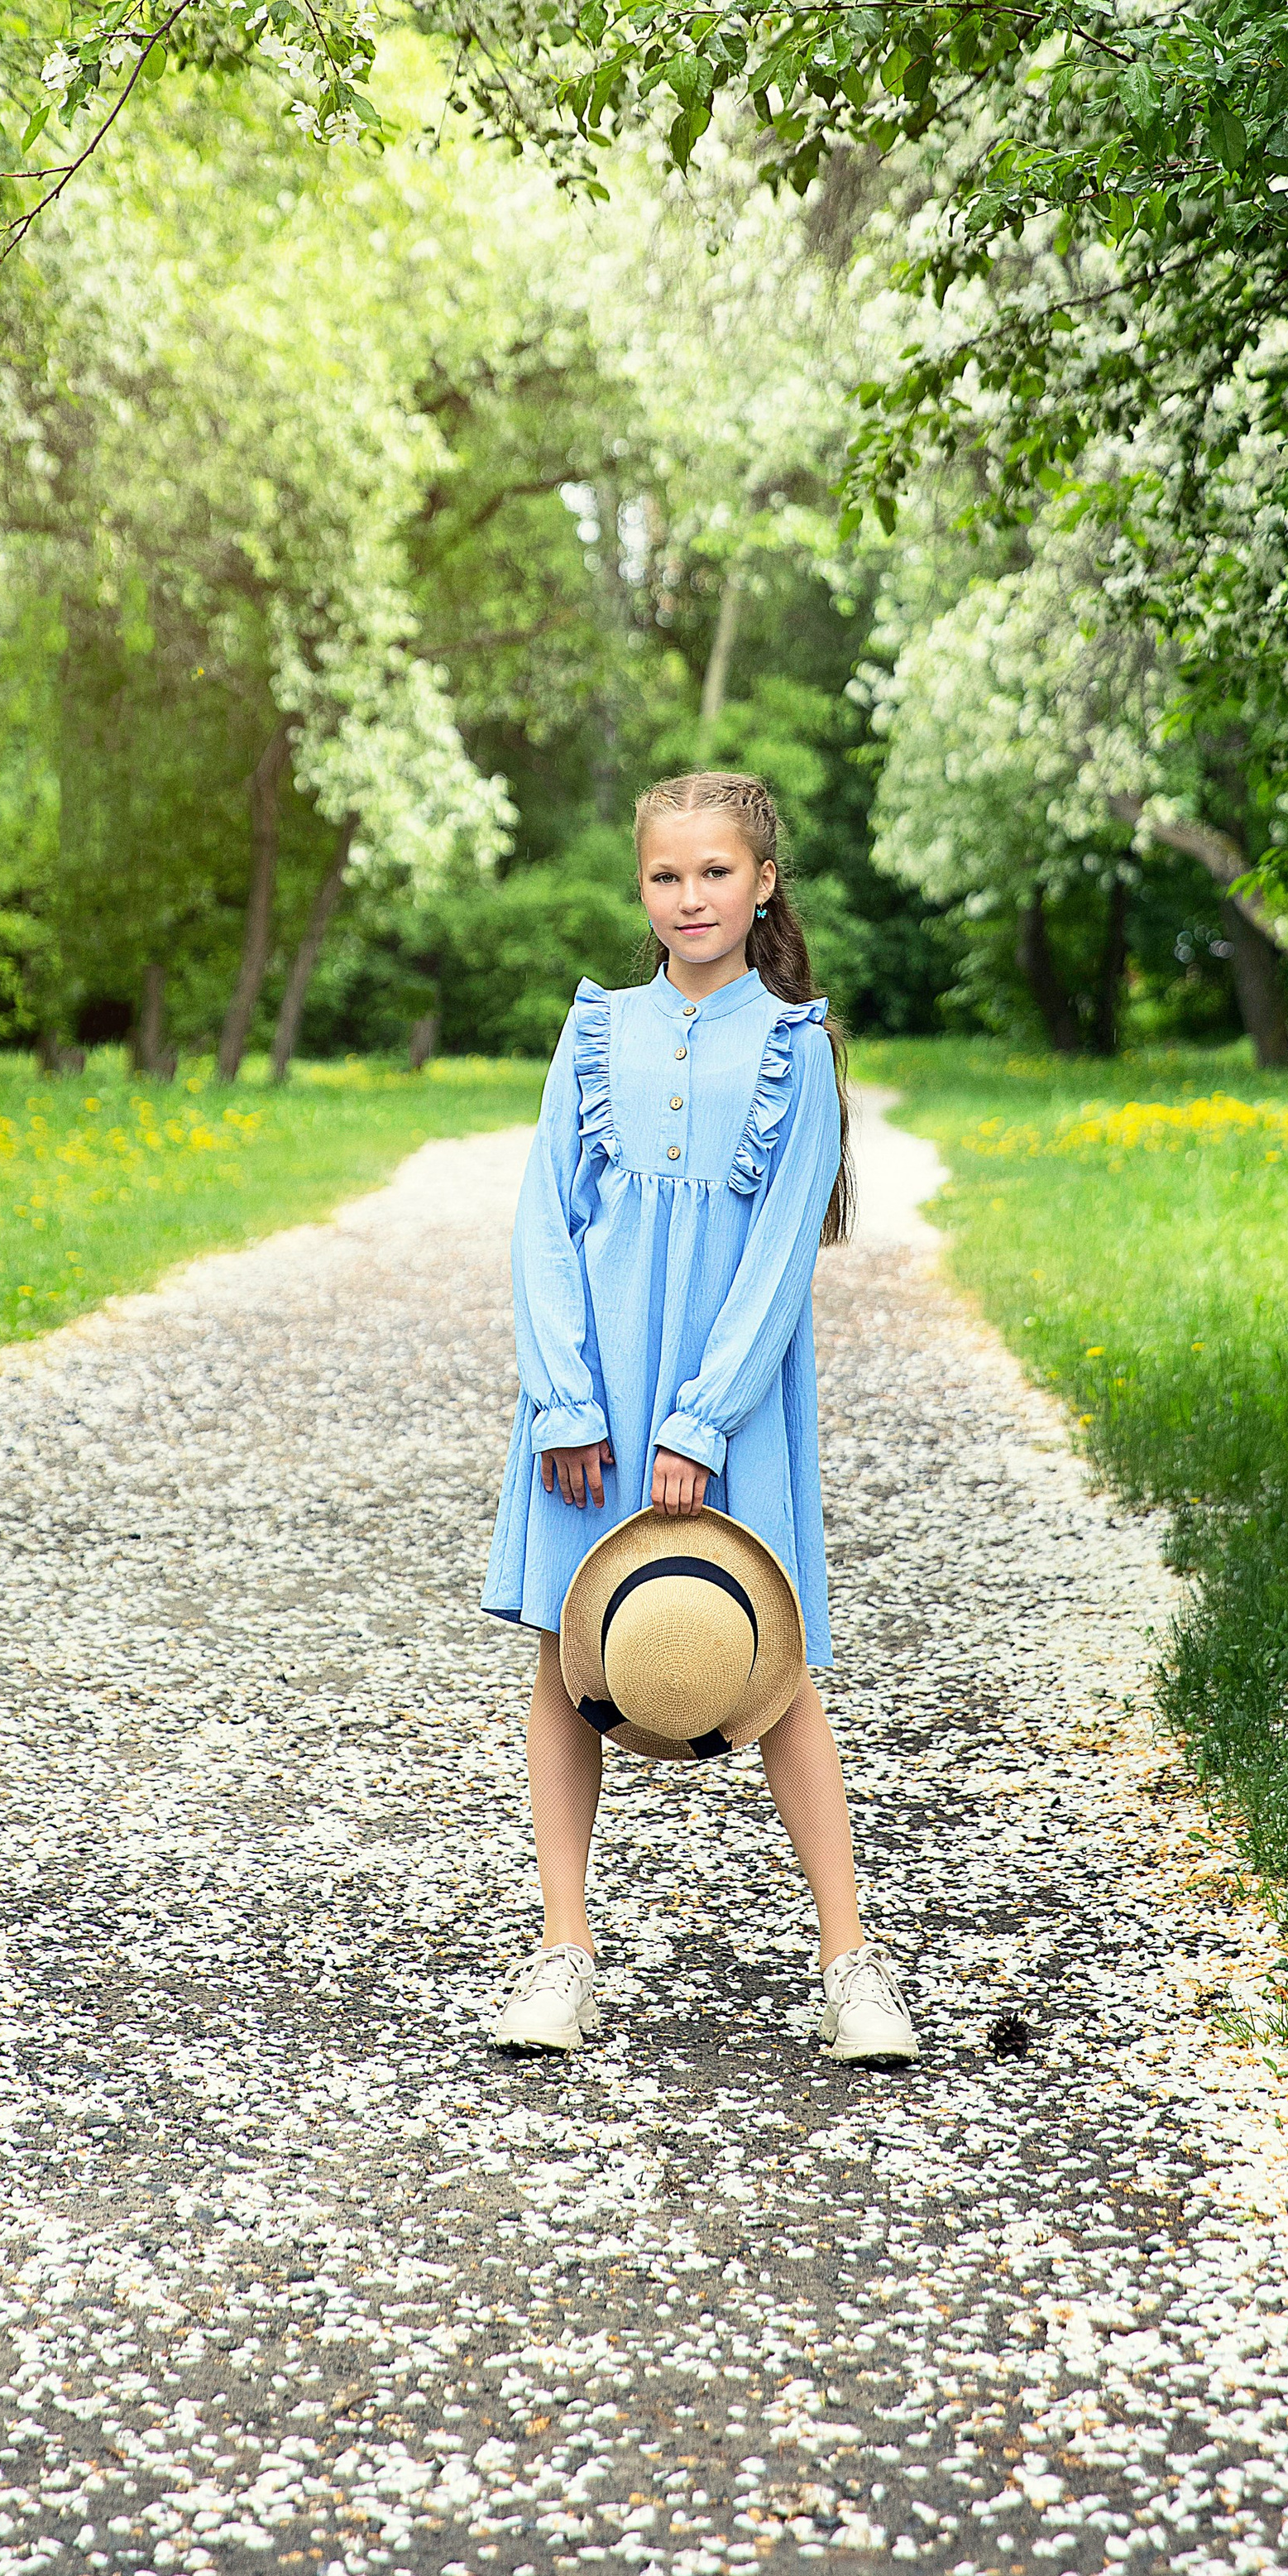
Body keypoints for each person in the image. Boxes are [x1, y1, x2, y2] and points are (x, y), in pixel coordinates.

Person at [481, 769, 917, 2064]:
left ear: (763, 881)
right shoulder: (595, 1030)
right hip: (589, 1402)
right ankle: (566, 1953)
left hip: (722, 1410)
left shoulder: (798, 1049)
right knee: (572, 1661)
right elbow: (543, 1226)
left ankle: (852, 1966)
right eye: (666, 876)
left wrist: (704, 1421)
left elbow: (784, 1255)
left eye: (716, 872)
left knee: (774, 1672)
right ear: (643, 889)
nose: (690, 897)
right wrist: (565, 1397)